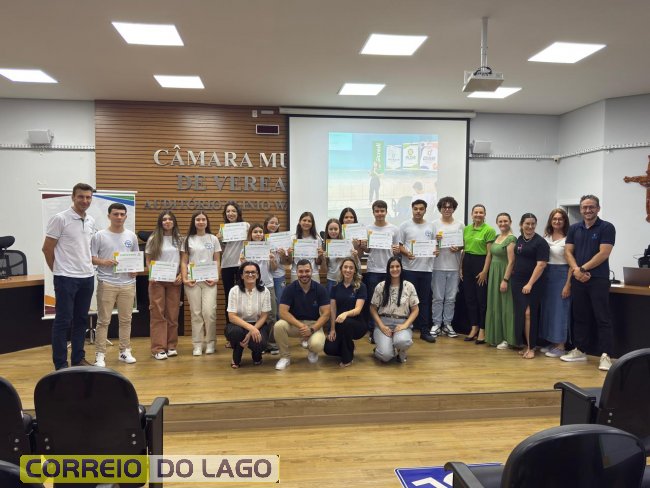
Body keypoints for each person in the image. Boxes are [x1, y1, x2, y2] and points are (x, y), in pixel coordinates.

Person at [42, 183, 96, 370]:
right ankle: (61, 365)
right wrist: (57, 270)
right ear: (73, 197)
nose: (85, 200)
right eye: (81, 196)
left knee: (81, 320)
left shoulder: (91, 220)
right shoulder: (60, 219)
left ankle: (78, 359)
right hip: (65, 278)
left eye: (88, 197)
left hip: (87, 277)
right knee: (63, 321)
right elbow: (47, 248)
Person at [561, 195, 616, 371]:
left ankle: (606, 355)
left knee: (602, 317)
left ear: (598, 208)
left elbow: (604, 253)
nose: (588, 210)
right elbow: (568, 252)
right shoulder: (574, 228)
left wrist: (582, 269)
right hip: (578, 278)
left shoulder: (607, 227)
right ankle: (580, 350)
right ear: (580, 209)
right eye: (584, 207)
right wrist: (576, 270)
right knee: (580, 316)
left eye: (591, 207)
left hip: (598, 279)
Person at [90, 203, 139, 366]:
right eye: (116, 214)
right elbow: (91, 258)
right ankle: (100, 354)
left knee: (126, 320)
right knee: (103, 321)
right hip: (107, 283)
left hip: (128, 284)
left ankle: (124, 351)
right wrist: (104, 262)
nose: (119, 217)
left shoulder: (131, 236)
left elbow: (136, 259)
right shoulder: (99, 236)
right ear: (109, 216)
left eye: (122, 214)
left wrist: (135, 270)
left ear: (126, 216)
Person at [273, 259, 330, 370]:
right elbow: (282, 312)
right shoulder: (289, 289)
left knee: (317, 345)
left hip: (314, 324)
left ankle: (312, 350)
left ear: (312, 271)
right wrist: (301, 326)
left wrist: (312, 329)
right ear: (296, 272)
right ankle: (285, 357)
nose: (304, 274)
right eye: (301, 271)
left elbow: (326, 314)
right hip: (295, 324)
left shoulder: (320, 289)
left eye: (307, 271)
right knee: (278, 326)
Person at [181, 211, 222, 356]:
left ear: (207, 222)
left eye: (203, 219)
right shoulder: (187, 239)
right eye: (198, 219)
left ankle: (210, 342)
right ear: (194, 222)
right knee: (196, 313)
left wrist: (216, 277)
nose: (201, 222)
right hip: (192, 281)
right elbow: (184, 261)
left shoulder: (213, 239)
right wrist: (185, 278)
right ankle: (197, 344)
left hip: (210, 281)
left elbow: (217, 260)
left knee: (209, 312)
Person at [145, 210, 184, 360]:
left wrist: (181, 275)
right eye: (164, 219)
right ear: (160, 222)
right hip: (157, 281)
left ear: (174, 222)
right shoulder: (153, 238)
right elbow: (148, 260)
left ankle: (171, 345)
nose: (167, 221)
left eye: (170, 219)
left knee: (173, 315)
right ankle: (158, 348)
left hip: (174, 281)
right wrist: (151, 274)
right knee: (158, 314)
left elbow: (184, 259)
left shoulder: (180, 239)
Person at [360, 200, 401, 341]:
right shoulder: (368, 229)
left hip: (389, 270)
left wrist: (397, 250)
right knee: (374, 302)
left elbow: (396, 251)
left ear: (386, 212)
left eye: (382, 211)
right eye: (377, 211)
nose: (379, 213)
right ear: (373, 212)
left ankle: (388, 328)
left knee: (389, 301)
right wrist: (364, 246)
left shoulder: (394, 229)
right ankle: (373, 330)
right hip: (373, 269)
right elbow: (367, 250)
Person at [511, 213, 549, 359]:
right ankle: (525, 344)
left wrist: (530, 283)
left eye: (533, 224)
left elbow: (541, 265)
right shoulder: (520, 239)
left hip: (533, 283)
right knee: (521, 314)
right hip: (517, 282)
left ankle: (531, 347)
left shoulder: (540, 242)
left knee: (529, 314)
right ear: (521, 225)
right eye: (527, 223)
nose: (530, 226)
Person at [399, 199, 436, 343]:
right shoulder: (404, 225)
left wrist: (436, 251)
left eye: (421, 209)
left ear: (425, 210)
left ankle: (424, 330)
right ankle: (407, 328)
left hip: (426, 269)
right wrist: (407, 253)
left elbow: (434, 245)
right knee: (407, 301)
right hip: (409, 269)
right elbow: (399, 245)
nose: (418, 211)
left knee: (424, 301)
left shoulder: (431, 226)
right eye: (416, 208)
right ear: (412, 209)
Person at [370, 257, 419, 363]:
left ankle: (400, 349)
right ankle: (384, 349)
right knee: (386, 356)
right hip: (383, 324)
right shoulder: (381, 286)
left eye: (397, 266)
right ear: (388, 269)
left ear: (401, 268)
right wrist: (381, 326)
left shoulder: (409, 286)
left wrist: (405, 325)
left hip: (402, 324)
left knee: (403, 341)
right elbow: (372, 309)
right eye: (391, 267)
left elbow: (415, 310)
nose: (395, 269)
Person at [225, 262, 271, 368]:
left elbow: (264, 316)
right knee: (235, 333)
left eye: (253, 272)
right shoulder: (234, 291)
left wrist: (253, 330)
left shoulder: (265, 291)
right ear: (241, 275)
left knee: (260, 342)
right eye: (247, 272)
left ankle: (257, 354)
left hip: (258, 324)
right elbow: (231, 317)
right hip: (238, 324)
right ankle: (237, 351)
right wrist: (251, 329)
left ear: (258, 275)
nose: (250, 275)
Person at [461, 204, 496, 344]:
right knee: (470, 298)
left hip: (481, 264)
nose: (478, 215)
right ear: (472, 214)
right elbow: (464, 250)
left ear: (484, 214)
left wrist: (485, 271)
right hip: (467, 263)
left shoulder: (489, 230)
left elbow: (489, 254)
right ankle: (474, 327)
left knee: (481, 299)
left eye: (481, 212)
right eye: (476, 212)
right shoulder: (466, 229)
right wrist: (460, 268)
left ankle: (482, 329)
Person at [540, 208, 572, 358]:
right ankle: (552, 342)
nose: (557, 221)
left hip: (562, 276)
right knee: (548, 310)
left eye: (560, 219)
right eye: (554, 219)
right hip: (546, 276)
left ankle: (561, 345)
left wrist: (568, 284)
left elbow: (572, 263)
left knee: (560, 311)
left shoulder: (569, 238)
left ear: (565, 221)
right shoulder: (546, 237)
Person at [430, 196, 464, 338]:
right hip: (437, 266)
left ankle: (447, 324)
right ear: (440, 209)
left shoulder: (460, 225)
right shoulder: (433, 224)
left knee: (451, 298)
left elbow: (464, 244)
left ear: (454, 209)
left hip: (454, 267)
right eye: (444, 207)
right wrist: (435, 242)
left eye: (450, 207)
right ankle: (437, 324)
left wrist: (459, 247)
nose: (447, 209)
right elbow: (427, 244)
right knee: (437, 298)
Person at [324, 258, 368, 367]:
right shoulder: (335, 287)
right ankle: (349, 346)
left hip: (357, 324)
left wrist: (345, 314)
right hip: (339, 323)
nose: (348, 270)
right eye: (345, 267)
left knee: (346, 323)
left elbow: (358, 310)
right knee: (328, 349)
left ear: (355, 270)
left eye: (351, 268)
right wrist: (332, 329)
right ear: (341, 269)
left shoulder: (361, 286)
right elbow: (333, 310)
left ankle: (347, 358)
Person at [485, 213, 516, 349]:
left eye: (505, 221)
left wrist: (505, 280)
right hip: (493, 273)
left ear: (510, 222)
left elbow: (512, 261)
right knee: (495, 304)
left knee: (505, 305)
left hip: (503, 274)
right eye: (500, 221)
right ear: (497, 223)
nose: (503, 223)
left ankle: (507, 339)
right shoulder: (497, 237)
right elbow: (490, 255)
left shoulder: (511, 239)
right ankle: (495, 336)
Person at [243, 223, 279, 325]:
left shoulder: (268, 249)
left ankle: (271, 336)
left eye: (260, 232)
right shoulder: (244, 249)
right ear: (250, 234)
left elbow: (274, 269)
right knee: (254, 314)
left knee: (272, 314)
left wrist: (272, 260)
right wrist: (242, 262)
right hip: (251, 286)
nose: (258, 234)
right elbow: (242, 271)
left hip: (268, 285)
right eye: (255, 232)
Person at [219, 201, 249, 320]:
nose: (230, 213)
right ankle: (230, 326)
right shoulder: (223, 229)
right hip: (226, 265)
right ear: (225, 214)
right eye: (228, 211)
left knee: (243, 294)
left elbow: (250, 243)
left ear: (238, 213)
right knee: (229, 295)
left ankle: (244, 324)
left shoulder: (245, 226)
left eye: (233, 211)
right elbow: (222, 249)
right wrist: (219, 239)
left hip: (241, 265)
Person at [323, 218, 358, 294]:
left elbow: (356, 264)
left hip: (345, 280)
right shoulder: (325, 245)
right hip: (331, 279)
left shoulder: (347, 243)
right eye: (331, 229)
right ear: (327, 230)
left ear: (340, 230)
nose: (333, 231)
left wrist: (355, 255)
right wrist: (324, 259)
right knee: (331, 301)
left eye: (336, 229)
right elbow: (325, 270)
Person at [289, 211, 323, 282]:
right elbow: (290, 261)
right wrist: (290, 254)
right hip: (296, 273)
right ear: (299, 222)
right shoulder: (293, 238)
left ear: (312, 223)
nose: (306, 223)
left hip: (313, 273)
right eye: (304, 220)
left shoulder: (317, 239)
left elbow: (318, 262)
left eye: (309, 221)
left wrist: (320, 256)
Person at [264, 214, 288, 303]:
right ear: (266, 224)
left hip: (279, 275)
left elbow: (286, 262)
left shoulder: (282, 240)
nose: (274, 225)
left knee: (280, 301)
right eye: (271, 222)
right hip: (265, 276)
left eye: (276, 223)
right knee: (267, 302)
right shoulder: (260, 238)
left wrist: (283, 255)